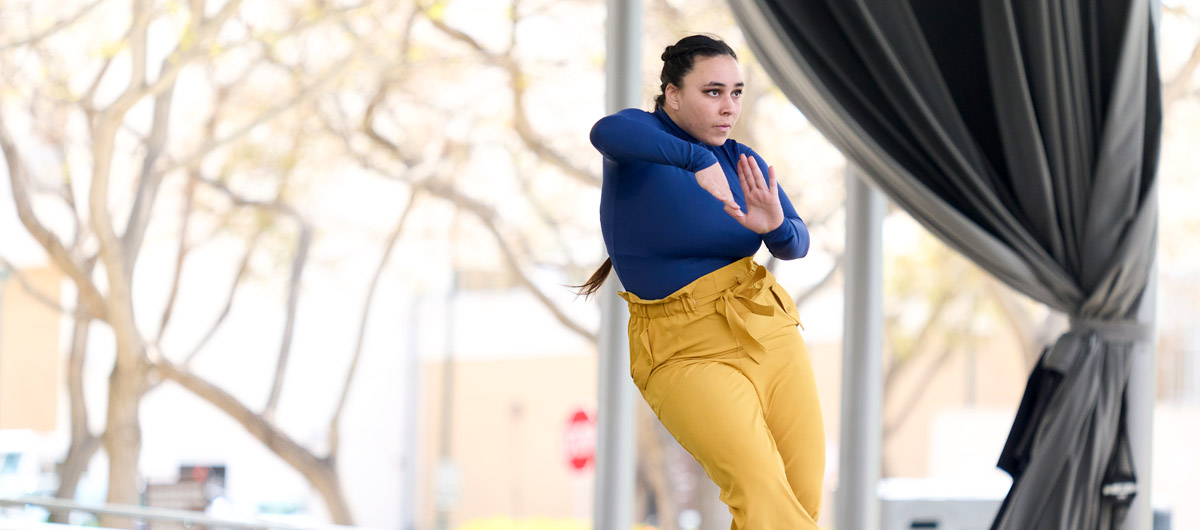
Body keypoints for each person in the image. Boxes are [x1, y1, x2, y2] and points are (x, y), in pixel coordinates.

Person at [577, 34, 824, 529]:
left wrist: (773, 224)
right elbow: (604, 131)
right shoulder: (640, 140)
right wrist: (696, 159)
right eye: (712, 92)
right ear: (672, 94)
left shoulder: (740, 158)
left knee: (801, 494)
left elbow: (795, 243)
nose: (728, 106)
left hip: (764, 327)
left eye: (736, 92)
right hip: (681, 346)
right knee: (758, 488)